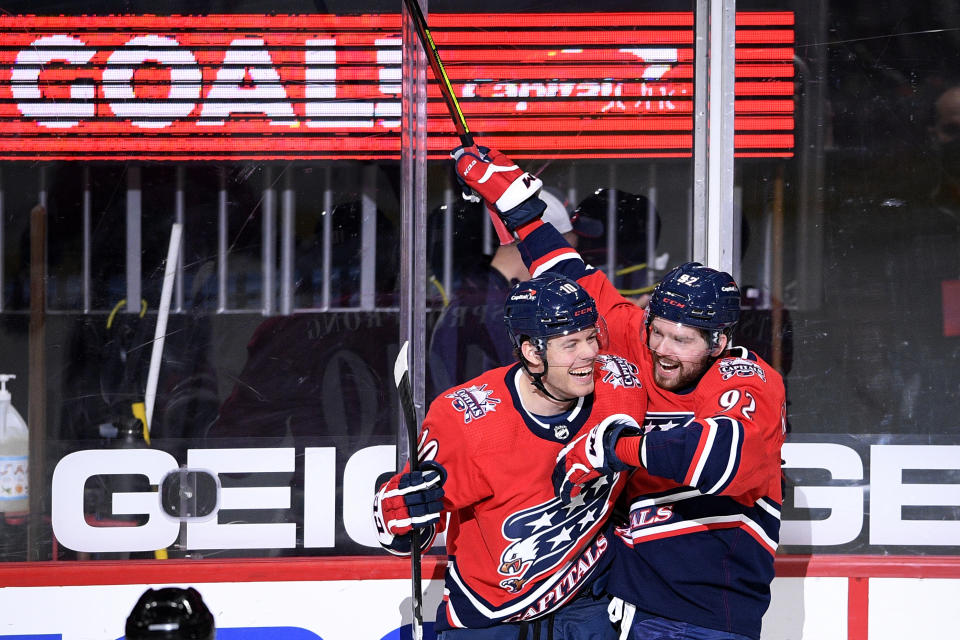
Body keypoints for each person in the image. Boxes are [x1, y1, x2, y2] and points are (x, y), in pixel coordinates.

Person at [454, 145, 786, 640]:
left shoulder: (745, 378)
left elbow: (721, 458)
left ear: (719, 341)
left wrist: (610, 448)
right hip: (621, 603)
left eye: (683, 340)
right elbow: (569, 275)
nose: (663, 350)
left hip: (705, 616)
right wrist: (520, 211)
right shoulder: (640, 341)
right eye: (658, 330)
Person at [373, 273, 648, 638]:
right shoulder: (466, 420)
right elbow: (413, 530)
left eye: (592, 337)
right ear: (533, 352)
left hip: (588, 609)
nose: (591, 353)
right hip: (493, 617)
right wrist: (400, 513)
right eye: (571, 344)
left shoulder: (621, 386)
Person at [427, 190, 602, 401]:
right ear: (538, 246)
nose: (566, 270)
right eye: (561, 254)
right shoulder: (509, 310)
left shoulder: (477, 298)